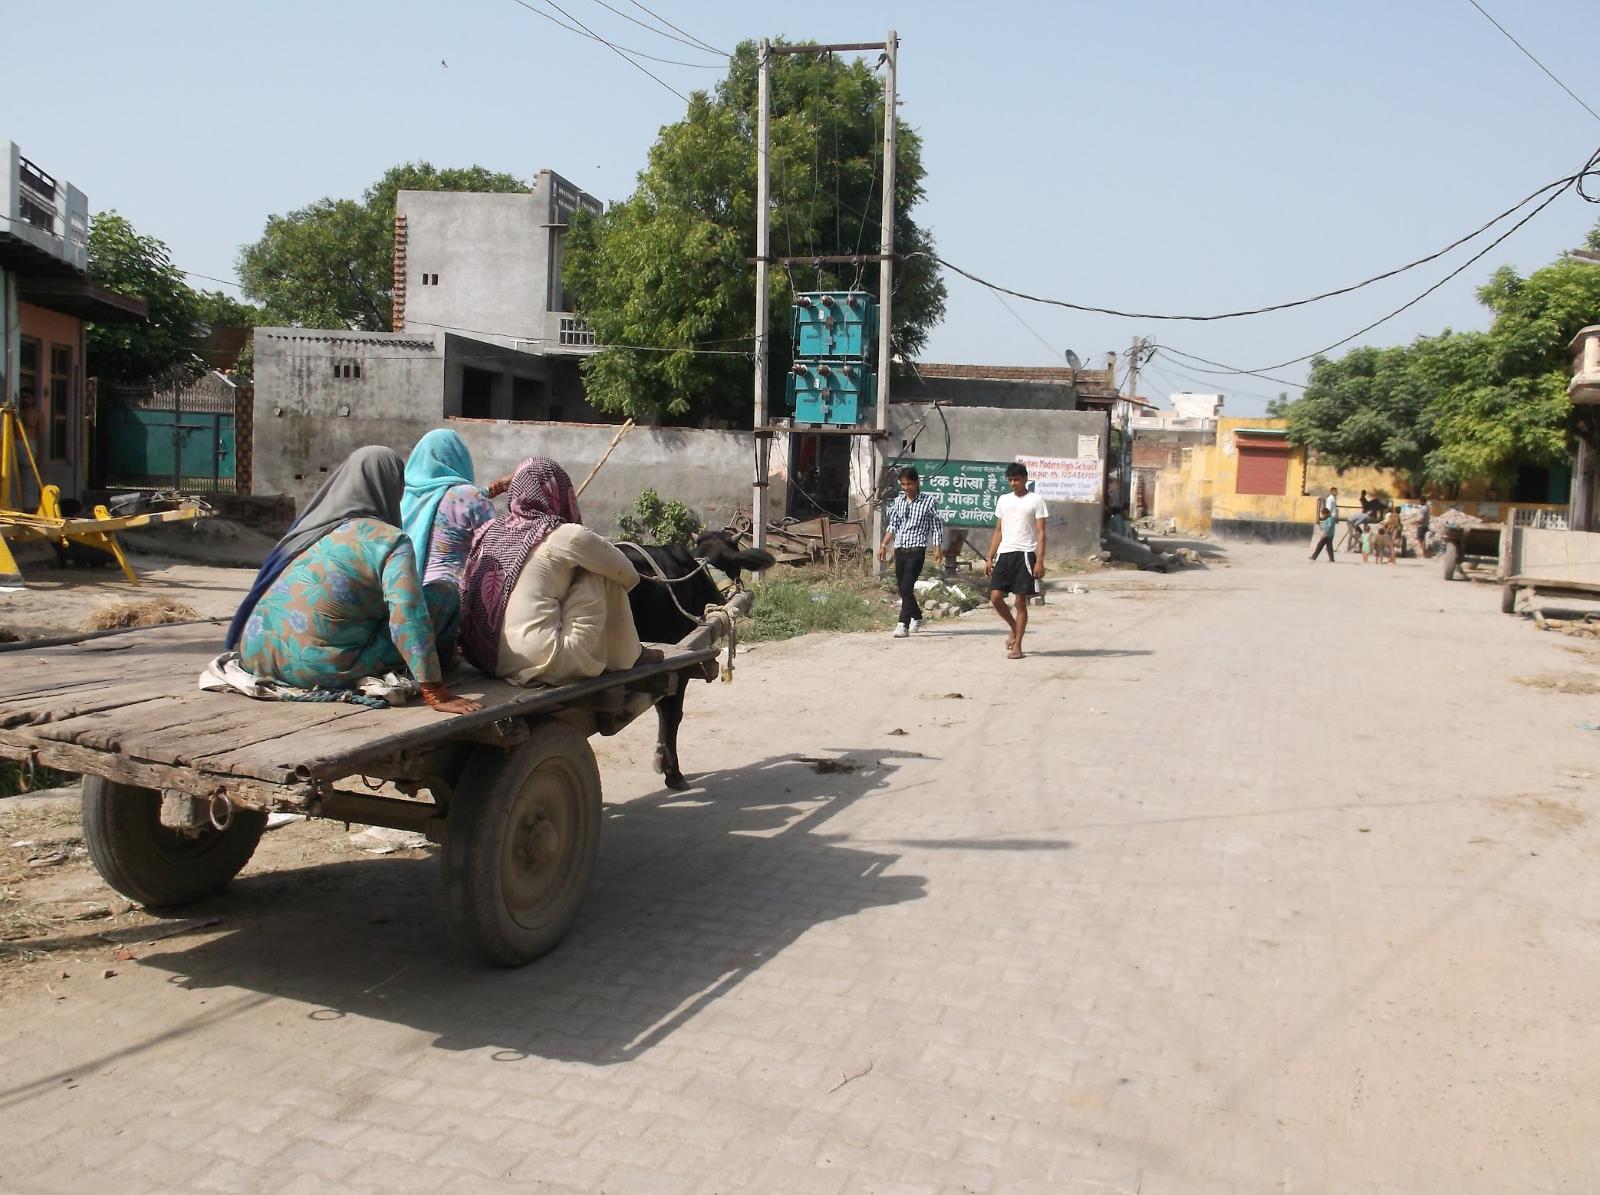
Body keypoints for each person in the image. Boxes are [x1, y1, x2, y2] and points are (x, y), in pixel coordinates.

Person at [226, 446, 481, 715]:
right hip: (314, 668)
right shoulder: (389, 540)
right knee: (443, 592)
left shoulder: (313, 530)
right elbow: (408, 616)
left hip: (255, 654)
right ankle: (436, 669)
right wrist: (434, 691)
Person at [459, 456, 660, 686]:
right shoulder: (568, 534)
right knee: (601, 570)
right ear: (560, 491)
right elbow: (628, 575)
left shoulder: (491, 530)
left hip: (485, 658)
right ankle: (628, 653)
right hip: (546, 662)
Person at [400, 429, 507, 663]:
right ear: (460, 457)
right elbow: (494, 547)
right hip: (451, 602)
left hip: (409, 601)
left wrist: (491, 490)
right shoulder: (469, 496)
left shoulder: (408, 496)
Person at [984, 462, 1048, 660]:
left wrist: (1040, 560)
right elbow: (998, 530)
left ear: (1025, 479)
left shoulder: (1036, 500)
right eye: (1010, 480)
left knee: (1020, 602)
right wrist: (990, 556)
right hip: (1005, 553)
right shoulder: (1003, 500)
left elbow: (1041, 532)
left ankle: (1018, 645)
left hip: (1026, 554)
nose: (1013, 483)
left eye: (1017, 479)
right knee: (995, 597)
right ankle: (1013, 627)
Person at [877, 465, 945, 638]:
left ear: (916, 482)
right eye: (903, 484)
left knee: (907, 585)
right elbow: (894, 525)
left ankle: (902, 624)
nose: (906, 488)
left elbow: (936, 527)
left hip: (917, 549)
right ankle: (918, 615)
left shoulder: (928, 502)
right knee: (903, 588)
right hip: (901, 548)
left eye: (909, 484)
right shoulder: (899, 501)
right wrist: (884, 544)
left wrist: (938, 548)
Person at [1310, 486, 1339, 562]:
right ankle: (1330, 559)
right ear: (1331, 492)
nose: (1336, 493)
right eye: (1334, 491)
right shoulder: (1331, 499)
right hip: (1329, 534)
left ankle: (1314, 557)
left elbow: (1329, 527)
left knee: (1322, 546)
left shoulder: (1329, 519)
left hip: (1328, 535)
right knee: (1327, 547)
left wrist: (1325, 534)